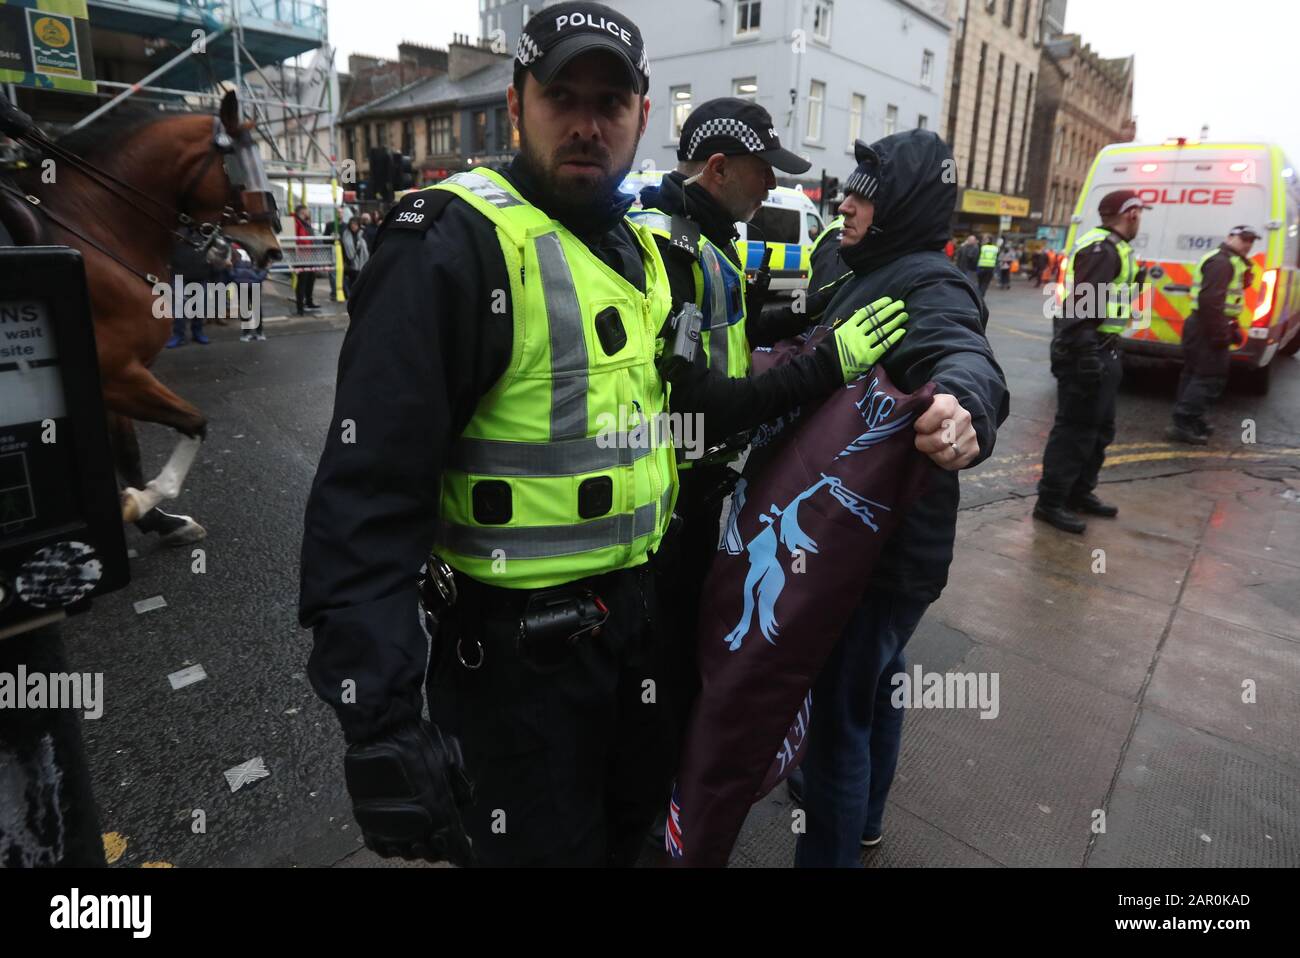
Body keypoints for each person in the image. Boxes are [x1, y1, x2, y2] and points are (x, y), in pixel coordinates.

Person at [297, 1, 905, 869]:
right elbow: (367, 494)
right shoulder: (449, 245)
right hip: (514, 673)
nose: (587, 124)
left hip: (636, 641)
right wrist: (379, 720)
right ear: (516, 106)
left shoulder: (640, 250)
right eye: (561, 96)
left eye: (610, 104)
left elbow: (685, 404)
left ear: (642, 118)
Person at [793, 131, 1009, 867]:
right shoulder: (868, 264)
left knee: (836, 726)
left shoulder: (928, 282)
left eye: (864, 192)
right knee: (876, 685)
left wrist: (964, 407)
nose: (844, 201)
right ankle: (866, 824)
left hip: (876, 554)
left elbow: (963, 352)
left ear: (903, 206)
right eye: (846, 187)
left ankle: (834, 842)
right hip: (885, 550)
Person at [1034, 189, 1149, 533]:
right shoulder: (1102, 249)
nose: (1140, 219)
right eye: (1139, 213)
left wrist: (1135, 287)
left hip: (1105, 349)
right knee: (1075, 430)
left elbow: (1106, 301)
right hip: (1090, 351)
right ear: (1130, 214)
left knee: (1099, 429)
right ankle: (1051, 502)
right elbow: (1078, 310)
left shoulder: (1116, 249)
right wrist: (1085, 356)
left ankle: (1078, 493)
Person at [1167, 225, 1258, 444]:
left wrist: (1231, 326)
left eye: (1251, 240)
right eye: (1243, 238)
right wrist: (1220, 334)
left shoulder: (1229, 261)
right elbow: (1211, 302)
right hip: (1207, 326)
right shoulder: (1221, 262)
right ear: (1230, 237)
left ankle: (1191, 418)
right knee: (1209, 377)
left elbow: (1226, 298)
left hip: (1205, 324)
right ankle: (1183, 423)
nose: (1247, 244)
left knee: (1195, 374)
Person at [165, 233, 213, 347]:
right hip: (179, 275)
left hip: (201, 275)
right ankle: (178, 335)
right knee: (178, 308)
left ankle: (198, 332)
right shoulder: (177, 231)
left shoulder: (205, 232)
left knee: (200, 307)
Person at [220, 245, 270, 342]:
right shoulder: (237, 248)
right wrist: (265, 270)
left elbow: (231, 270)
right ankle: (256, 333)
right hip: (252, 283)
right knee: (250, 309)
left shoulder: (233, 248)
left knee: (248, 309)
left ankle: (249, 333)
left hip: (244, 283)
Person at [293, 204, 320, 315]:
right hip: (302, 256)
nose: (309, 214)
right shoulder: (296, 222)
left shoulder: (304, 223)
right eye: (307, 212)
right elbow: (298, 238)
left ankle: (309, 301)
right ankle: (300, 306)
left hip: (310, 255)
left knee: (310, 279)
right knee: (302, 282)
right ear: (302, 212)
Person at [340, 216, 370, 299]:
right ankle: (351, 296)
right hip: (349, 262)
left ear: (358, 225)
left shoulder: (363, 233)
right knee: (351, 280)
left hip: (361, 262)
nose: (353, 226)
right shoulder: (345, 234)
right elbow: (342, 248)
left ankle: (359, 296)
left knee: (360, 280)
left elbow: (367, 247)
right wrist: (346, 260)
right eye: (352, 224)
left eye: (355, 224)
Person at [976, 234, 997, 299]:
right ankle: (981, 296)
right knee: (985, 284)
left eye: (984, 239)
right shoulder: (995, 248)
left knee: (980, 283)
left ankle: (979, 296)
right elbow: (996, 258)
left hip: (981, 266)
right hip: (990, 267)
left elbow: (977, 256)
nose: (983, 240)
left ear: (988, 240)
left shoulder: (982, 247)